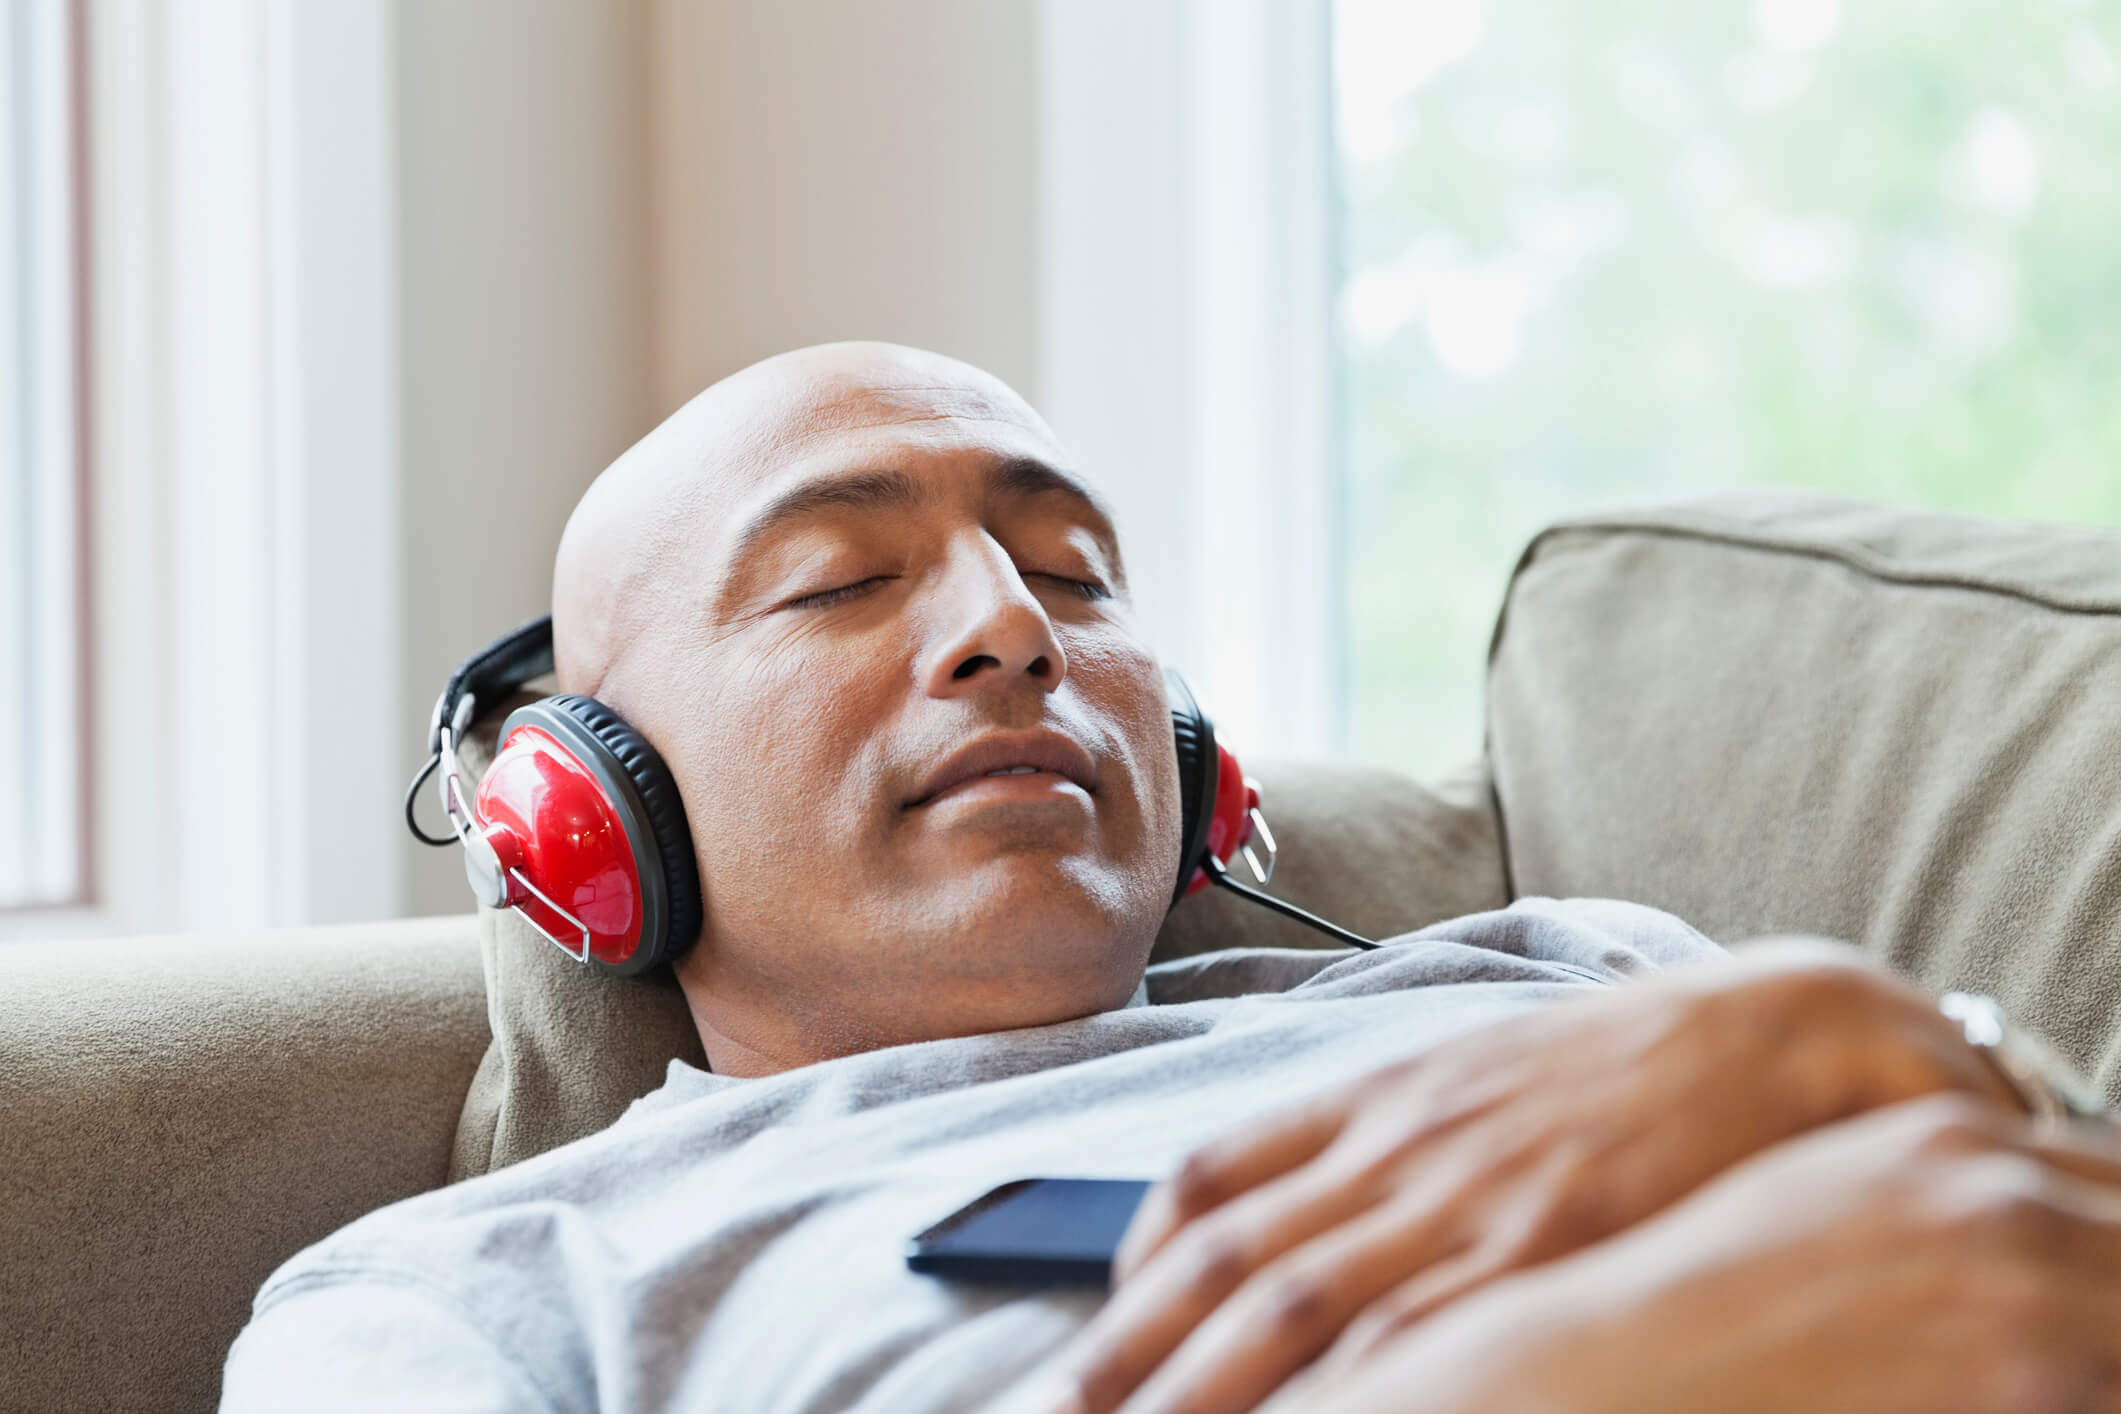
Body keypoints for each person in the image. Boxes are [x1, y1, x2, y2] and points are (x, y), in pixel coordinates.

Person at [222, 342, 2121, 1413]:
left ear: (1201, 770)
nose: (1007, 630)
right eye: (836, 580)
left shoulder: (1565, 972)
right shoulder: (472, 1289)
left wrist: (1945, 1062)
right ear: (590, 811)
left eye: (1071, 574)